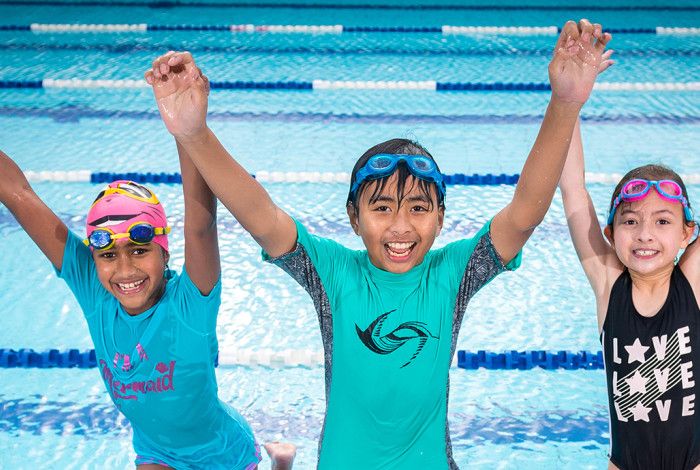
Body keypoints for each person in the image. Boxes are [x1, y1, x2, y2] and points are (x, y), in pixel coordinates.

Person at [145, 18, 611, 469]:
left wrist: (565, 105)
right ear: (353, 217)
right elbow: (261, 216)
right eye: (382, 208)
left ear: (441, 217)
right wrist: (194, 134)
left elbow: (525, 213)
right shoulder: (333, 273)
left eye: (419, 208)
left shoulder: (452, 275)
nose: (401, 227)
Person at [0, 148, 294, 468]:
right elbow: (17, 193)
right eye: (108, 255)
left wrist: (187, 129)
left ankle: (282, 462)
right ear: (95, 259)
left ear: (164, 253)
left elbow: (200, 227)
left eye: (139, 251)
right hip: (155, 450)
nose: (125, 270)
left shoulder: (189, 304)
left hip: (220, 453)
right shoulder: (96, 294)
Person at [559, 119, 699, 468]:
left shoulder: (692, 284)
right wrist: (568, 103)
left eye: (663, 221)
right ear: (610, 232)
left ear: (687, 233)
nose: (645, 234)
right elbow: (574, 191)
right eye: (630, 221)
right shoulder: (609, 285)